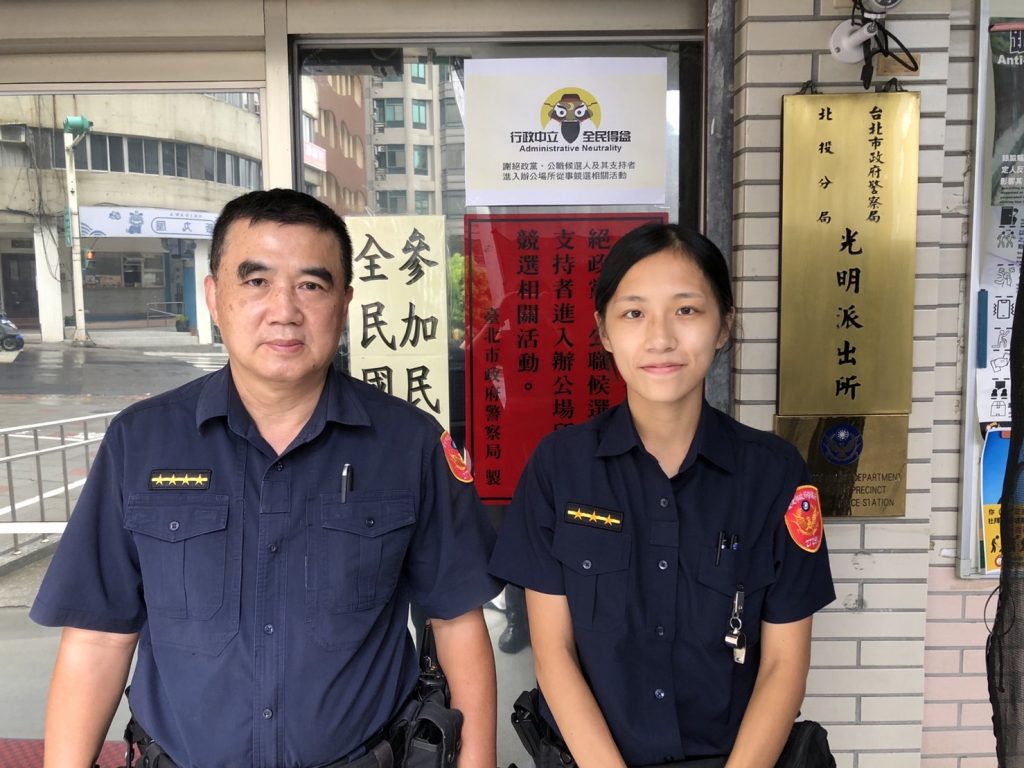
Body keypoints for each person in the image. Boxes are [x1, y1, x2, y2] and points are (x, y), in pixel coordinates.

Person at [30, 188, 502, 768]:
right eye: (256, 281)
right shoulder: (142, 442)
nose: (285, 310)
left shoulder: (409, 444)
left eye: (312, 285)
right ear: (214, 297)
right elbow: (98, 638)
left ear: (345, 303)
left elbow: (456, 622)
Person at [489, 223, 835, 768]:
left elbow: (783, 665)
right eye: (634, 313)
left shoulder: (775, 475)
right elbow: (553, 654)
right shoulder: (560, 468)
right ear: (604, 331)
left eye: (686, 310)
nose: (660, 338)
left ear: (724, 326)